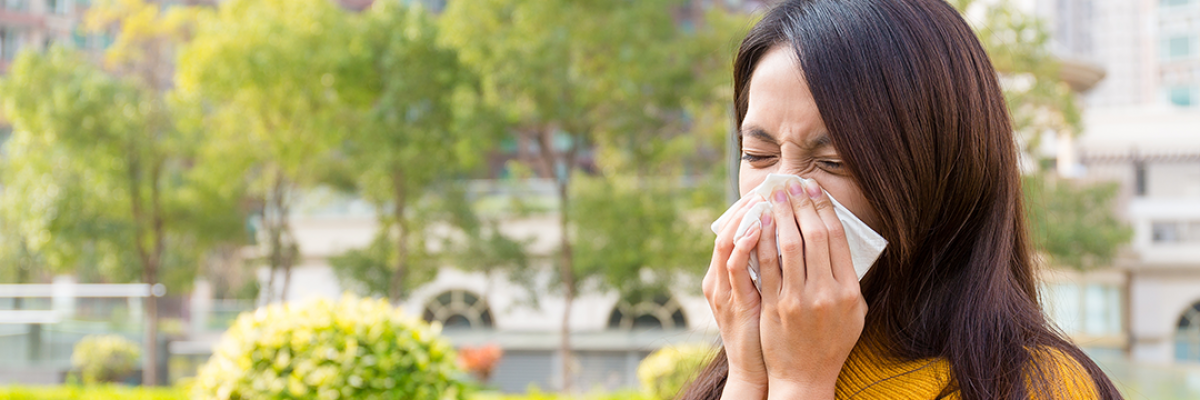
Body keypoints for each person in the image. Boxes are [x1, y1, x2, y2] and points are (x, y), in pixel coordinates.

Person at [681, 0, 1122, 399]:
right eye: (759, 154)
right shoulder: (738, 366)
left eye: (832, 162)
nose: (781, 192)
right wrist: (746, 376)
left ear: (935, 175)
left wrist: (802, 383)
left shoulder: (1033, 386)